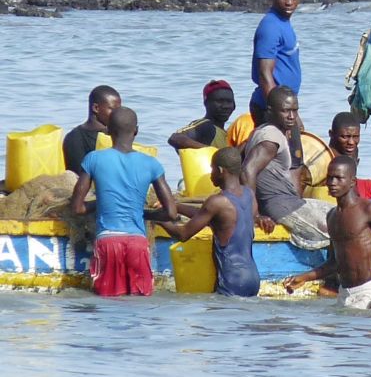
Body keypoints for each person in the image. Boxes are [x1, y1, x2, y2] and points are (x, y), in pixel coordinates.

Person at [69, 107, 176, 297]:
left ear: (108, 131)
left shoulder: (93, 159)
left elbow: (77, 208)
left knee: (107, 304)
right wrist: (144, 213)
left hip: (108, 242)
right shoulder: (152, 164)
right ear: (136, 131)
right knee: (139, 304)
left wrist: (101, 202)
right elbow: (171, 213)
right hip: (138, 243)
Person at [283, 156, 371, 310]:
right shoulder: (332, 216)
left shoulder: (368, 209)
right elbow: (335, 263)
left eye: (339, 178)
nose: (332, 183)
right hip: (344, 293)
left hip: (368, 293)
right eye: (330, 178)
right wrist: (304, 277)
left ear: (352, 182)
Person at [157, 147, 261, 297]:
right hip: (253, 278)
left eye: (212, 169)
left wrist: (158, 219)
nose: (211, 174)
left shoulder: (216, 202)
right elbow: (210, 216)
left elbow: (183, 234)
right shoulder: (249, 194)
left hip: (232, 280)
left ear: (220, 170)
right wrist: (176, 206)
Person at [243, 86, 333, 249]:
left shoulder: (267, 131)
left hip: (291, 201)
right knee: (337, 229)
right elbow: (247, 170)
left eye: (295, 110)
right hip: (280, 207)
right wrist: (254, 215)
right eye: (286, 111)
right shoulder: (271, 139)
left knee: (340, 214)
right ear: (271, 111)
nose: (292, 116)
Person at [250, 0, 304, 166]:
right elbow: (265, 75)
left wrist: (294, 114)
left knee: (292, 162)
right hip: (272, 108)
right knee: (290, 165)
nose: (289, 2)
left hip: (285, 108)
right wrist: (283, 117)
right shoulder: (271, 26)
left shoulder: (283, 23)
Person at [63, 85, 121, 176]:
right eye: (113, 109)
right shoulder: (74, 138)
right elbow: (77, 174)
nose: (117, 114)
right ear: (96, 108)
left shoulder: (114, 135)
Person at [168, 80, 237, 150]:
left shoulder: (226, 134)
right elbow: (175, 138)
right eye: (219, 101)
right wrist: (210, 151)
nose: (225, 106)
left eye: (229, 101)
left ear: (234, 105)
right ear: (206, 103)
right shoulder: (205, 126)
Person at [328, 112, 371, 201]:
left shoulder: (369, 187)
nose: (351, 142)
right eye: (345, 137)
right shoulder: (325, 178)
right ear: (331, 134)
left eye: (355, 137)